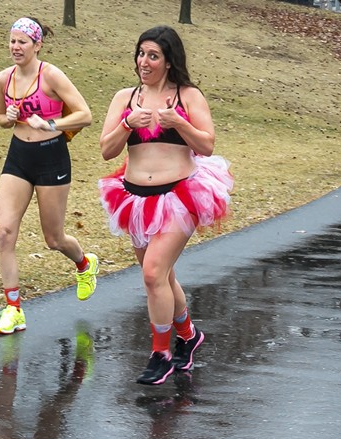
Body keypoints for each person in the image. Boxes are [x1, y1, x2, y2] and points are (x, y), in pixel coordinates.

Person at [97, 26, 233, 385]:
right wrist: (127, 123)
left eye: (153, 55)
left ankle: (161, 354)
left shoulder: (187, 96)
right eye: (141, 54)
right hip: (135, 198)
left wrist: (179, 123)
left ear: (169, 61)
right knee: (163, 276)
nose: (145, 62)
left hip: (181, 195)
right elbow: (107, 149)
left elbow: (206, 145)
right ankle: (189, 336)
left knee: (153, 273)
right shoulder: (125, 97)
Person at [0, 17, 98, 335]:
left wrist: (51, 124)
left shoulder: (50, 75)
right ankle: (13, 309)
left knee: (53, 239)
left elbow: (85, 114)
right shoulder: (3, 78)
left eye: (22, 41)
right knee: (5, 232)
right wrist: (7, 118)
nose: (16, 47)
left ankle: (84, 264)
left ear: (37, 45)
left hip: (52, 157)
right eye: (12, 41)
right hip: (19, 158)